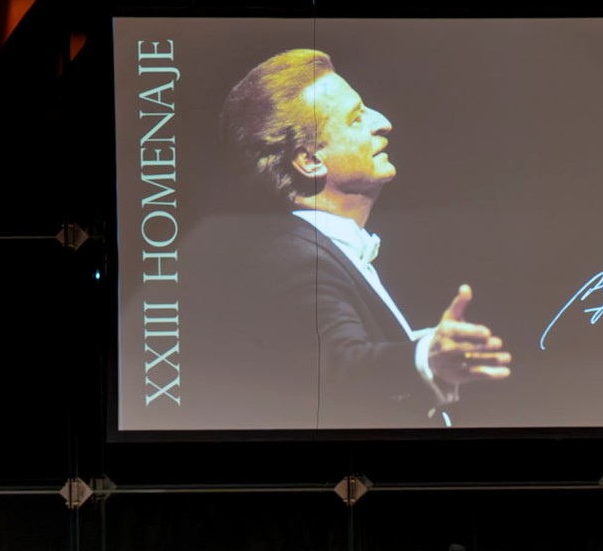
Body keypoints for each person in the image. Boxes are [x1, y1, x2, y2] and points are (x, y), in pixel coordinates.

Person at [217, 49, 511, 427]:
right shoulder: (294, 259)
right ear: (310, 161)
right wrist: (425, 358)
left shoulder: (322, 251)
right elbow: (340, 364)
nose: (383, 122)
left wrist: (424, 344)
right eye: (356, 118)